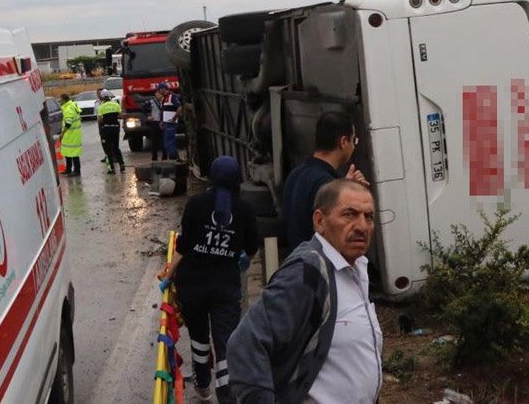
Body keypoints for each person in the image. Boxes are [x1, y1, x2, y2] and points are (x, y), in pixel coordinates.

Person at [228, 179, 383, 403]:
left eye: (368, 216)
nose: (362, 226)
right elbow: (244, 345)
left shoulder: (356, 268)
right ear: (320, 221)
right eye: (349, 214)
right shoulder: (307, 273)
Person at [159, 156, 259, 402]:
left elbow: (183, 246)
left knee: (199, 337)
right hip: (225, 287)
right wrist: (239, 256)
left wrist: (168, 274)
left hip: (192, 285)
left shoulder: (196, 204)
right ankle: (226, 394)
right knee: (226, 342)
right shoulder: (245, 209)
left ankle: (202, 383)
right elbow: (252, 247)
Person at [282, 111, 369, 250]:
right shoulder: (326, 184)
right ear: (344, 142)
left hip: (297, 260)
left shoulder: (295, 174)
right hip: (319, 265)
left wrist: (343, 187)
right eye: (354, 141)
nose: (353, 147)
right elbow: (338, 237)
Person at [97, 89, 125, 174]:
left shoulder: (101, 107)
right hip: (115, 129)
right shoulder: (115, 104)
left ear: (102, 97)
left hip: (106, 129)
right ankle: (122, 165)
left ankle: (111, 169)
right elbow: (121, 116)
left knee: (108, 149)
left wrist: (106, 119)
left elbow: (100, 121)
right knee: (116, 148)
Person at [59, 93, 82, 176]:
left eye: (60, 100)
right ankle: (68, 169)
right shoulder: (72, 106)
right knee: (67, 152)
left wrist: (62, 133)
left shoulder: (68, 109)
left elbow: (68, 123)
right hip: (72, 134)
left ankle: (77, 171)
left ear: (64, 100)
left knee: (74, 154)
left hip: (71, 134)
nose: (60, 102)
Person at [158, 82, 182, 160]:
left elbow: (180, 107)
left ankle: (173, 159)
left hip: (170, 123)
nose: (158, 91)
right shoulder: (164, 98)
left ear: (163, 89)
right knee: (168, 142)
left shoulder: (172, 96)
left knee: (169, 142)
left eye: (159, 89)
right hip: (166, 123)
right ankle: (176, 158)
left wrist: (174, 118)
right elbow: (163, 111)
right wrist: (162, 121)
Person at [144, 90, 167, 161]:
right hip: (155, 122)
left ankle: (165, 156)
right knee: (154, 141)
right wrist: (148, 116)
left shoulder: (166, 101)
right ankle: (154, 157)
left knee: (164, 140)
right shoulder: (152, 102)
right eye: (156, 94)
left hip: (163, 122)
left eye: (158, 94)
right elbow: (143, 108)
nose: (157, 95)